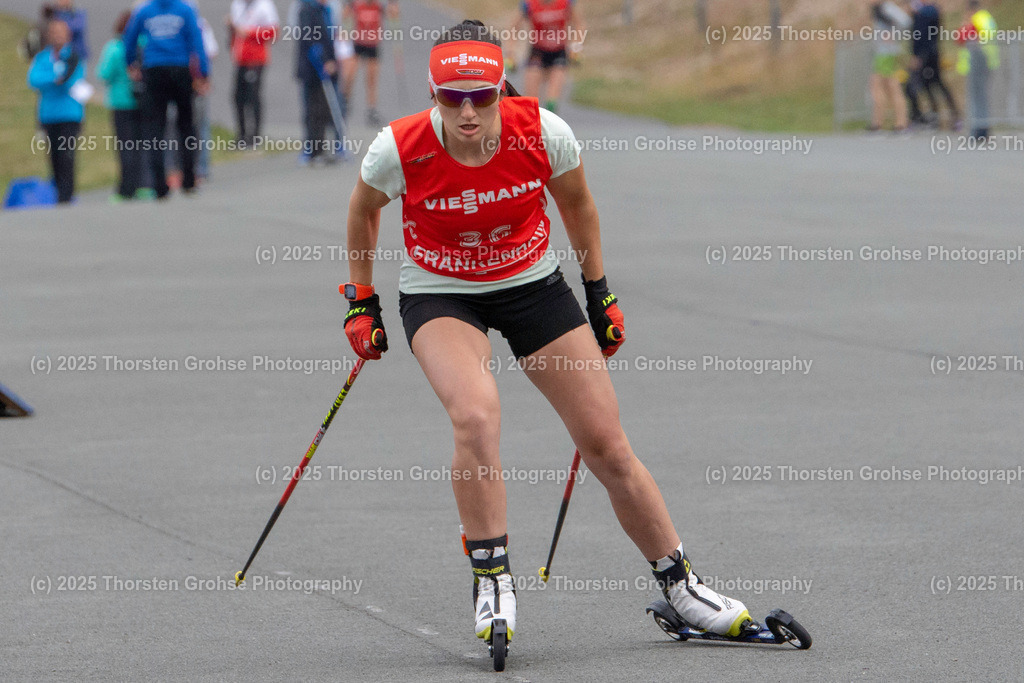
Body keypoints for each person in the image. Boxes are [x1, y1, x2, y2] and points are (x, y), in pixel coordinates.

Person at [343, 20, 757, 651]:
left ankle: (683, 587)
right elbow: (363, 210)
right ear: (432, 96)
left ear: (500, 92)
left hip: (532, 285)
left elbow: (578, 206)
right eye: (452, 98)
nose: (468, 112)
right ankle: (492, 580)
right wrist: (362, 301)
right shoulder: (398, 148)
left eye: (481, 96)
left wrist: (600, 292)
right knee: (475, 418)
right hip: (440, 290)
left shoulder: (544, 132)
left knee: (605, 442)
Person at [123, 0, 210, 198]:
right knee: (186, 125)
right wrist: (203, 72)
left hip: (154, 70)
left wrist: (131, 63)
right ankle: (188, 180)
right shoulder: (185, 10)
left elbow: (129, 39)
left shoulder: (145, 10)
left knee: (155, 129)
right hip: (180, 69)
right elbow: (196, 41)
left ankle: (159, 185)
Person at [27, 19, 85, 204]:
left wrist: (53, 81)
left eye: (61, 32)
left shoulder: (74, 56)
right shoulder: (43, 57)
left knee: (66, 155)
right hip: (48, 115)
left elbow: (71, 80)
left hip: (70, 114)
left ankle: (67, 195)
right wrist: (55, 77)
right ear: (49, 35)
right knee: (53, 156)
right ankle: (58, 192)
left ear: (68, 35)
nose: (58, 36)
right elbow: (34, 79)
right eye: (54, 32)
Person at [97, 10, 144, 202]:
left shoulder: (115, 48)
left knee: (125, 147)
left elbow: (104, 74)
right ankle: (143, 184)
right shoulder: (144, 45)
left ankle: (126, 188)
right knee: (142, 145)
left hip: (121, 102)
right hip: (141, 101)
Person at [512, 0, 584, 113]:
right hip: (538, 51)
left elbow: (579, 24)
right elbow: (514, 28)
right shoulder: (529, 4)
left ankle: (549, 125)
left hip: (558, 51)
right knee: (531, 100)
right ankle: (532, 124)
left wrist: (575, 47)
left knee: (552, 99)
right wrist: (511, 54)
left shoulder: (566, 3)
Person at [903, 0, 961, 129]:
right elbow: (916, 35)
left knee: (935, 84)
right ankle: (933, 117)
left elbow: (924, 34)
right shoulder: (920, 12)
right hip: (923, 55)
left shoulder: (930, 11)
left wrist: (918, 56)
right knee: (925, 85)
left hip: (929, 55)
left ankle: (955, 116)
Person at [228, 0, 279, 146]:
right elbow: (236, 31)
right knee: (238, 96)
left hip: (256, 59)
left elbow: (273, 33)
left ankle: (255, 135)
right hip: (239, 58)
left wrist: (250, 33)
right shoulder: (237, 5)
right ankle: (242, 135)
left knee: (253, 96)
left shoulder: (265, 5)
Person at [294, 0, 338, 165]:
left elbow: (329, 38)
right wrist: (324, 61)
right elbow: (309, 41)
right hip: (312, 71)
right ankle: (313, 150)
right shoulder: (307, 10)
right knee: (313, 111)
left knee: (323, 110)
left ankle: (321, 148)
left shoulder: (324, 10)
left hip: (326, 71)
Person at [341, 0, 398, 126]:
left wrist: (393, 4)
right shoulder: (357, 4)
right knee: (349, 75)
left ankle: (371, 110)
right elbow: (344, 15)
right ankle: (345, 101)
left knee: (371, 80)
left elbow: (393, 14)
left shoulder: (379, 6)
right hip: (358, 44)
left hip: (373, 45)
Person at [956, 0, 999, 140]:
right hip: (987, 61)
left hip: (978, 61)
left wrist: (964, 23)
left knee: (976, 96)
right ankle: (983, 128)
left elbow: (961, 37)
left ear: (971, 9)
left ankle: (978, 128)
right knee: (982, 96)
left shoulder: (976, 19)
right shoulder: (986, 18)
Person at [868, 1, 911, 132]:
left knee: (880, 85)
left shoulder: (887, 7)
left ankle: (884, 123)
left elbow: (906, 21)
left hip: (886, 53)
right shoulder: (879, 9)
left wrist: (893, 34)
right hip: (882, 53)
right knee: (890, 86)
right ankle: (894, 123)